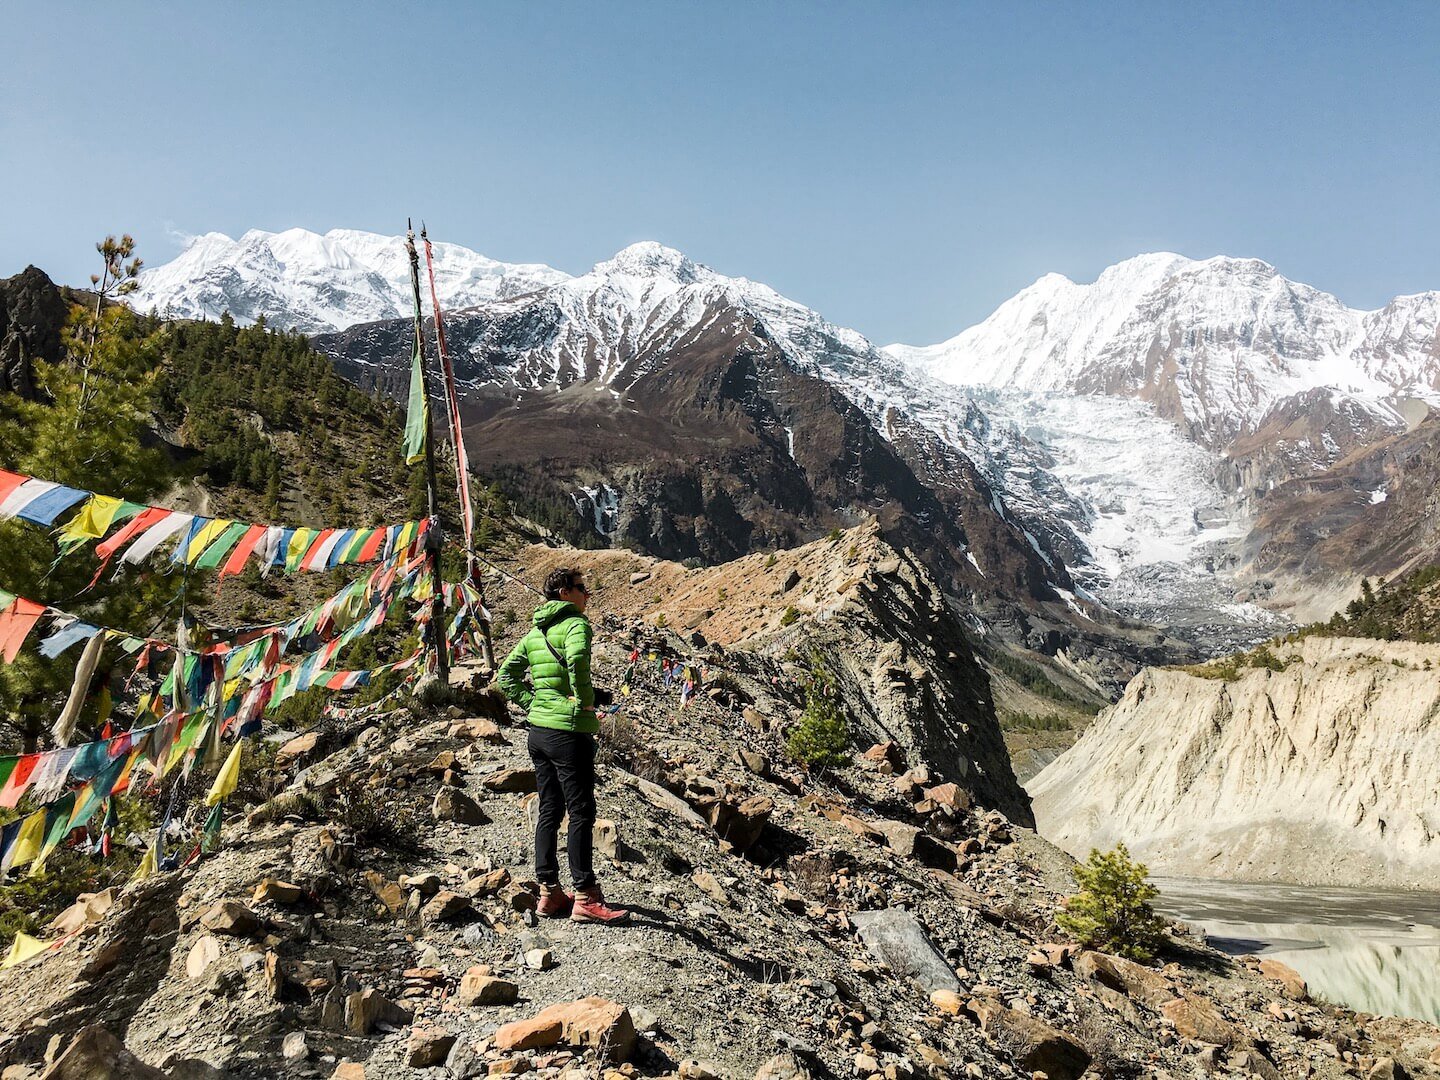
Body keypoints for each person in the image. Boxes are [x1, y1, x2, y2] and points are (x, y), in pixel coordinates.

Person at [498, 567, 629, 925]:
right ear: (565, 592)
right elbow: (576, 660)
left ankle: (549, 893)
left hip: (538, 732)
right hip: (569, 733)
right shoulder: (576, 625)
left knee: (549, 810)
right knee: (582, 812)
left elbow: (505, 676)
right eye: (582, 588)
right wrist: (584, 701)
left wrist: (534, 704)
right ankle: (585, 896)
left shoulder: (535, 630)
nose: (588, 594)